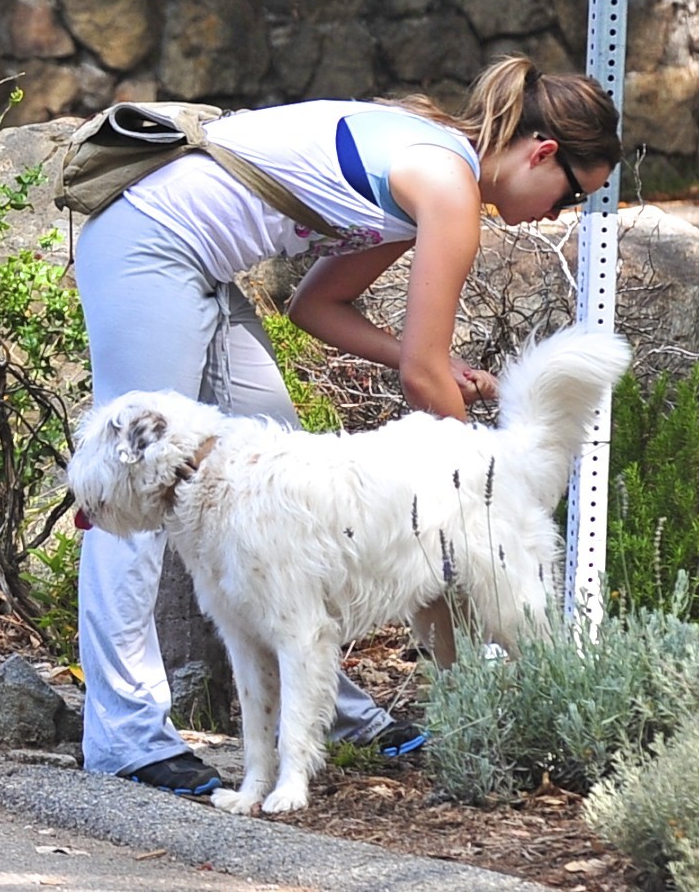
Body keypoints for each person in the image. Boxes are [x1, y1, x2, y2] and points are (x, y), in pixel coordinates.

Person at [73, 53, 622, 795]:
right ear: (542, 153)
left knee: (275, 468)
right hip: (151, 243)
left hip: (193, 260)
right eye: (568, 196)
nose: (558, 214)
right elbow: (420, 382)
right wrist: (475, 502)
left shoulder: (433, 162)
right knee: (135, 491)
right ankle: (126, 737)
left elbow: (315, 308)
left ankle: (332, 712)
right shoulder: (450, 189)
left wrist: (436, 363)